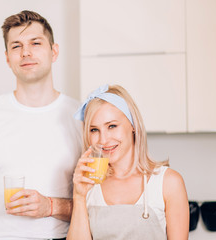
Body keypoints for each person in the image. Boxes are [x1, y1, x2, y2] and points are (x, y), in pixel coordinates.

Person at [0, 10, 82, 240]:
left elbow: (100, 202)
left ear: (54, 51)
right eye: (16, 46)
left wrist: (50, 206)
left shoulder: (81, 118)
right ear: (7, 58)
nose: (26, 52)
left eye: (36, 43)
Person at [67, 84, 189, 240]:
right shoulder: (89, 186)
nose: (103, 140)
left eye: (112, 126)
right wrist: (78, 196)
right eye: (94, 130)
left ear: (133, 125)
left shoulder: (169, 183)